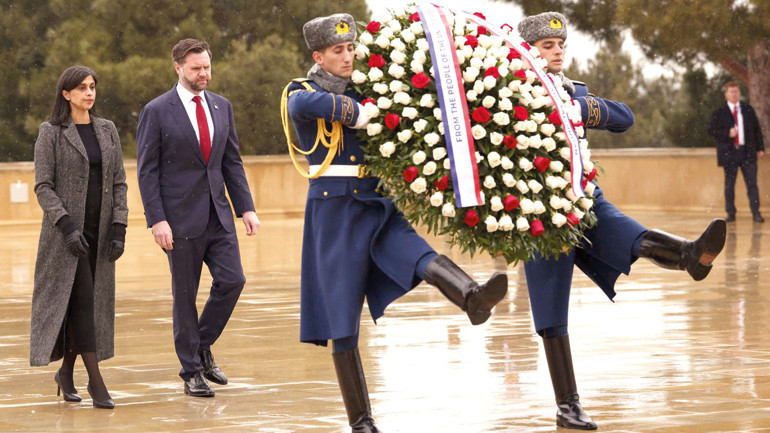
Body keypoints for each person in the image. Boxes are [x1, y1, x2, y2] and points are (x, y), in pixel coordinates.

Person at [282, 14, 509, 432]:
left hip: (377, 202)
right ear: (318, 56)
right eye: (338, 51)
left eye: (351, 48)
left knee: (417, 253)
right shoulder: (304, 89)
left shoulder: (372, 88)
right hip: (335, 213)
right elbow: (303, 106)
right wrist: (354, 112)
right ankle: (362, 421)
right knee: (342, 316)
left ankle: (472, 297)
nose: (348, 56)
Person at [516, 12, 728, 430]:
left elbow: (625, 118)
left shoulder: (573, 90)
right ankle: (568, 405)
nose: (558, 50)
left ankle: (689, 254)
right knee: (551, 307)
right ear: (528, 52)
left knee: (630, 234)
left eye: (561, 44)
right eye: (548, 45)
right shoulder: (508, 95)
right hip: (537, 211)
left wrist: (578, 105)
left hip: (583, 197)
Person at [136, 38, 260, 398]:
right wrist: (157, 219)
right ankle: (191, 371)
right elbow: (147, 171)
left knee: (233, 281)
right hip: (178, 221)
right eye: (196, 68)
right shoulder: (157, 111)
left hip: (218, 216)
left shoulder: (222, 106)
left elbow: (231, 161)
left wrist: (246, 208)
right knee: (185, 295)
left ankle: (200, 346)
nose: (203, 73)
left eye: (206, 66)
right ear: (178, 67)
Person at [31, 66, 128, 409]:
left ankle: (65, 373)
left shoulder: (107, 130)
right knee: (85, 304)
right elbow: (43, 186)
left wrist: (119, 225)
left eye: (92, 87)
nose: (89, 93)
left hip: (99, 235)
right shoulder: (51, 132)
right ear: (66, 94)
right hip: (65, 238)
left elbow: (118, 181)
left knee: (83, 307)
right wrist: (66, 226)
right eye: (82, 88)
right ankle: (96, 381)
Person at [708, 81, 765, 222]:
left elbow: (757, 129)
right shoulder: (719, 113)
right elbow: (711, 131)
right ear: (726, 94)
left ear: (739, 93)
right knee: (729, 186)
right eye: (731, 92)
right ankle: (731, 213)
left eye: (736, 91)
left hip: (747, 153)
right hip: (729, 154)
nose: (734, 94)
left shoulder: (748, 110)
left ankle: (756, 213)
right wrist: (727, 133)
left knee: (752, 185)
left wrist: (760, 148)